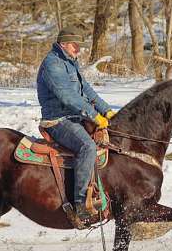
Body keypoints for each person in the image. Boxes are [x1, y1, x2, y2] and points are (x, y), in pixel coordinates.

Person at [36, 26, 116, 221]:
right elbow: (67, 96)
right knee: (87, 146)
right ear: (63, 44)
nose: (78, 49)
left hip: (75, 117)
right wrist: (93, 115)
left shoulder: (70, 62)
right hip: (58, 120)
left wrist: (107, 110)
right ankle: (81, 203)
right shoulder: (52, 64)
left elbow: (85, 90)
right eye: (75, 46)